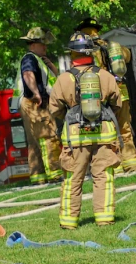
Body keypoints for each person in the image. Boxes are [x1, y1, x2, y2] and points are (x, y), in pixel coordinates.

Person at [49, 32, 123, 229]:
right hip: (104, 134)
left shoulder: (63, 79)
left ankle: (69, 221)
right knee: (103, 177)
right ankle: (105, 218)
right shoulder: (106, 76)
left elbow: (54, 109)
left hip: (75, 137)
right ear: (91, 53)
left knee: (73, 178)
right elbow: (117, 103)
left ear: (72, 54)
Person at [76, 17, 136, 173]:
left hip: (103, 95)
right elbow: (128, 56)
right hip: (121, 93)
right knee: (125, 127)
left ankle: (115, 166)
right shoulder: (112, 47)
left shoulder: (88, 50)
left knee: (109, 129)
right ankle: (131, 163)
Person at [13, 27, 62, 184]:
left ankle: (38, 177)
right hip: (35, 103)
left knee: (34, 141)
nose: (45, 47)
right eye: (43, 44)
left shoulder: (37, 59)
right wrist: (36, 93)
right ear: (33, 44)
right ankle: (54, 173)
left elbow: (54, 78)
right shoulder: (30, 58)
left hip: (30, 104)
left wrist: (52, 66)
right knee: (49, 136)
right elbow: (28, 75)